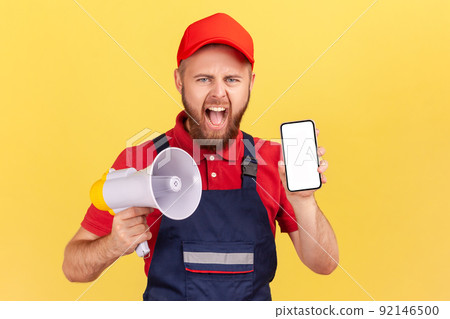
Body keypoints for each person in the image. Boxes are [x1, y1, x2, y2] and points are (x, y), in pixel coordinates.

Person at [62, 12, 339, 301]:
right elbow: (73, 267)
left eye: (232, 79)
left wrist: (304, 202)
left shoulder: (276, 162)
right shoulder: (140, 161)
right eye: (204, 78)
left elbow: (325, 265)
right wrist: (113, 245)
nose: (219, 93)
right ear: (179, 80)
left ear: (251, 84)